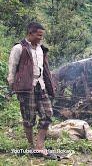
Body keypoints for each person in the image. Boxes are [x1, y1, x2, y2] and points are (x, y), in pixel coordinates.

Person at [7, 22, 57, 159]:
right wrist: (12, 86)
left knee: (48, 114)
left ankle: (40, 146)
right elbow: (12, 68)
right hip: (25, 87)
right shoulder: (19, 48)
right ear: (30, 33)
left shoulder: (41, 49)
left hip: (40, 86)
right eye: (39, 35)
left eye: (42, 35)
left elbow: (45, 69)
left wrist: (50, 84)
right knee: (28, 118)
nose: (41, 38)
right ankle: (31, 146)